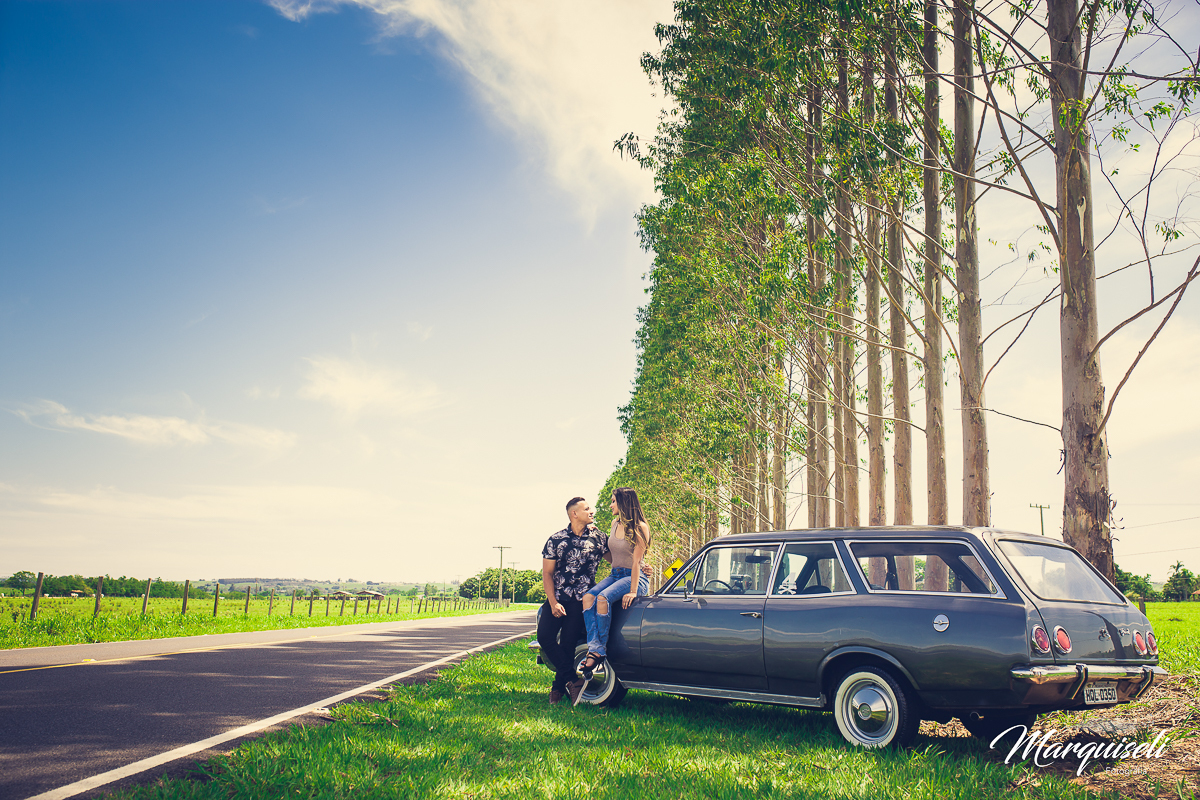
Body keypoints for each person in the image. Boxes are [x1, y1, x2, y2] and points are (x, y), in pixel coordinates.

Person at [538, 496, 609, 705]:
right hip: (558, 597)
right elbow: (547, 574)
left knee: (568, 645)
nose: (591, 511)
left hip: (582, 601)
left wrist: (640, 566)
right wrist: (553, 602)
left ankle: (557, 689)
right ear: (574, 514)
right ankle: (572, 679)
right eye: (586, 509)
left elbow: (618, 559)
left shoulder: (599, 538)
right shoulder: (556, 539)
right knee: (545, 637)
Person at [579, 487, 651, 688]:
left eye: (613, 501)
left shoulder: (640, 528)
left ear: (624, 502)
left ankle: (598, 651)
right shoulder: (614, 524)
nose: (610, 505)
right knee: (588, 598)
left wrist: (633, 591)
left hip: (635, 577)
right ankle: (594, 646)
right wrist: (596, 536)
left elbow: (636, 562)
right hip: (615, 574)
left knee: (603, 598)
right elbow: (613, 556)